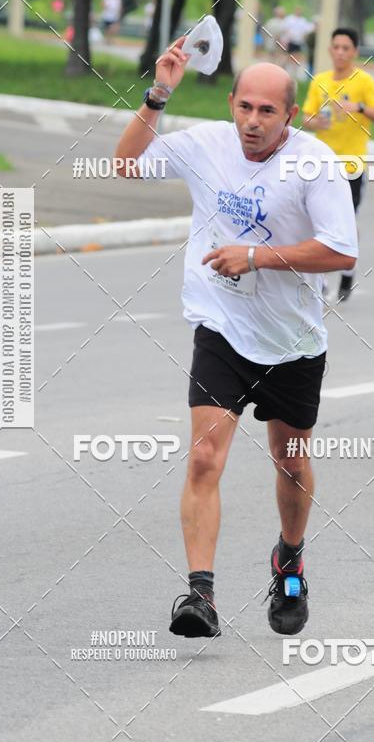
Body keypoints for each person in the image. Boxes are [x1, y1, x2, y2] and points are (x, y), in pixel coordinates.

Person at [115, 40, 358, 639]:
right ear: (231, 103)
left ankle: (290, 558)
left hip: (293, 339)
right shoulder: (206, 144)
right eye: (244, 107)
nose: (252, 121)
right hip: (221, 328)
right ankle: (200, 595)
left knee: (292, 462)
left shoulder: (315, 163)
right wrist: (158, 93)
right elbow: (125, 165)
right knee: (203, 456)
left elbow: (341, 250)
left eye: (266, 112)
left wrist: (256, 255)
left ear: (290, 116)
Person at [302, 27, 374, 301]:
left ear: (355, 52)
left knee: (345, 221)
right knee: (317, 220)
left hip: (351, 166)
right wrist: (318, 122)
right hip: (321, 165)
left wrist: (359, 108)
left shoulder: (363, 81)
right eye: (335, 47)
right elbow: (306, 118)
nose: (340, 52)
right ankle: (321, 278)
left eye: (345, 48)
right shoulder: (320, 80)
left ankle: (348, 268)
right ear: (329, 50)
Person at [283, 7, 314, 78]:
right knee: (289, 56)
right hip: (291, 40)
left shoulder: (303, 20)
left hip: (299, 41)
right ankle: (286, 68)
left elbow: (306, 30)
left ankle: (294, 71)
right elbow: (286, 28)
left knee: (297, 56)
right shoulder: (290, 19)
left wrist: (303, 37)